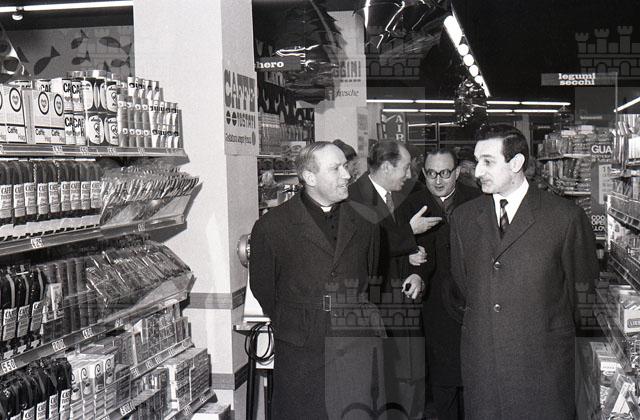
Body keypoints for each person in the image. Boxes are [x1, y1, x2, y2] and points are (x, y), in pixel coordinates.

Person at [449, 124, 599, 419]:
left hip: (544, 369)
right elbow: (463, 288)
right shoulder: (463, 219)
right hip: (485, 371)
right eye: (477, 161)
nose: (477, 172)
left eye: (488, 162)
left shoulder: (565, 218)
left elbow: (583, 297)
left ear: (516, 163)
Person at [250, 142, 386, 419]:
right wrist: (301, 319)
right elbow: (264, 288)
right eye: (336, 169)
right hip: (302, 350)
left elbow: (372, 276)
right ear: (310, 177)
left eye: (345, 167)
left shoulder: (366, 221)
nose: (347, 175)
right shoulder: (272, 226)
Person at [348, 141, 437, 419]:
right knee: (381, 389)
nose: (409, 174)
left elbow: (424, 243)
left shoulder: (406, 194)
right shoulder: (353, 199)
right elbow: (364, 249)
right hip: (377, 310)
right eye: (405, 167)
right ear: (387, 167)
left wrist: (417, 270)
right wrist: (408, 234)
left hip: (406, 308)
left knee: (411, 383)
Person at [404, 149, 480, 420]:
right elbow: (392, 248)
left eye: (445, 173)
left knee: (474, 374)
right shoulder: (411, 204)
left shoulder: (478, 200)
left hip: (472, 299)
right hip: (434, 302)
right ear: (424, 174)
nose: (438, 180)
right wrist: (409, 253)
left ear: (457, 173)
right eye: (431, 173)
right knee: (443, 375)